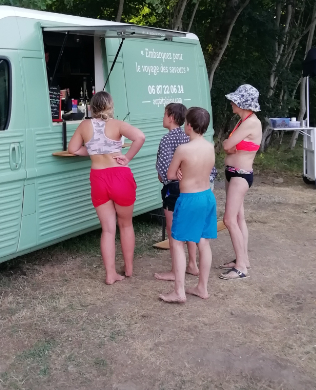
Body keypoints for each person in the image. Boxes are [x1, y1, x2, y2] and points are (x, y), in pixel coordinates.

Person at [68, 91, 146, 284]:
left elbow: (73, 149)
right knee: (126, 224)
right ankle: (128, 268)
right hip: (120, 176)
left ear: (91, 107)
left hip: (98, 178)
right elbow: (140, 137)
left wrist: (94, 151)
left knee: (108, 230)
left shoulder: (85, 125)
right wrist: (127, 158)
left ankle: (110, 274)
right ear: (110, 106)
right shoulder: (117, 124)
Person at [159, 107, 217, 304]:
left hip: (189, 199)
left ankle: (179, 291)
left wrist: (179, 173)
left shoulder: (183, 149)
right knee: (204, 242)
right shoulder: (210, 147)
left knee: (177, 242)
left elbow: (169, 174)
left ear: (189, 126)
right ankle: (202, 287)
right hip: (207, 197)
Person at [219, 84, 262, 280]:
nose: (231, 102)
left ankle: (241, 268)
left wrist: (229, 147)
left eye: (234, 100)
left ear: (243, 103)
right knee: (238, 218)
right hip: (233, 173)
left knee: (229, 219)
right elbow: (227, 146)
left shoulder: (251, 122)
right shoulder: (243, 121)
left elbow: (227, 144)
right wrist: (229, 147)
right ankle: (243, 259)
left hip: (240, 174)